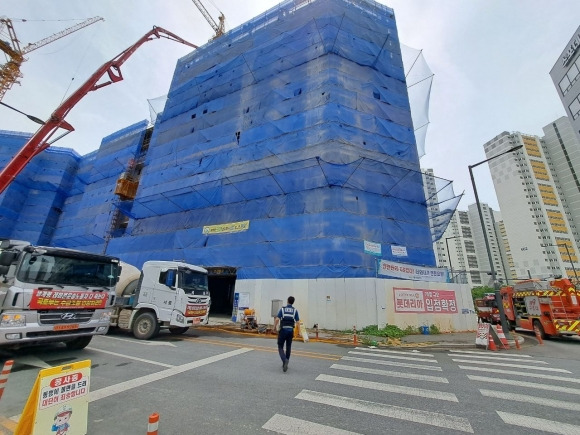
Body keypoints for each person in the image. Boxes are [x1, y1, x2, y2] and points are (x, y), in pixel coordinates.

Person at [274, 296, 300, 372]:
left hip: (283, 330)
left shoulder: (283, 309)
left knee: (280, 346)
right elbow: (298, 322)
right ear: (293, 302)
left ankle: (284, 360)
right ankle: (286, 361)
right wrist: (299, 332)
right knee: (288, 347)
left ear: (287, 301)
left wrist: (274, 327)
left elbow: (277, 319)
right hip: (290, 331)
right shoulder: (295, 311)